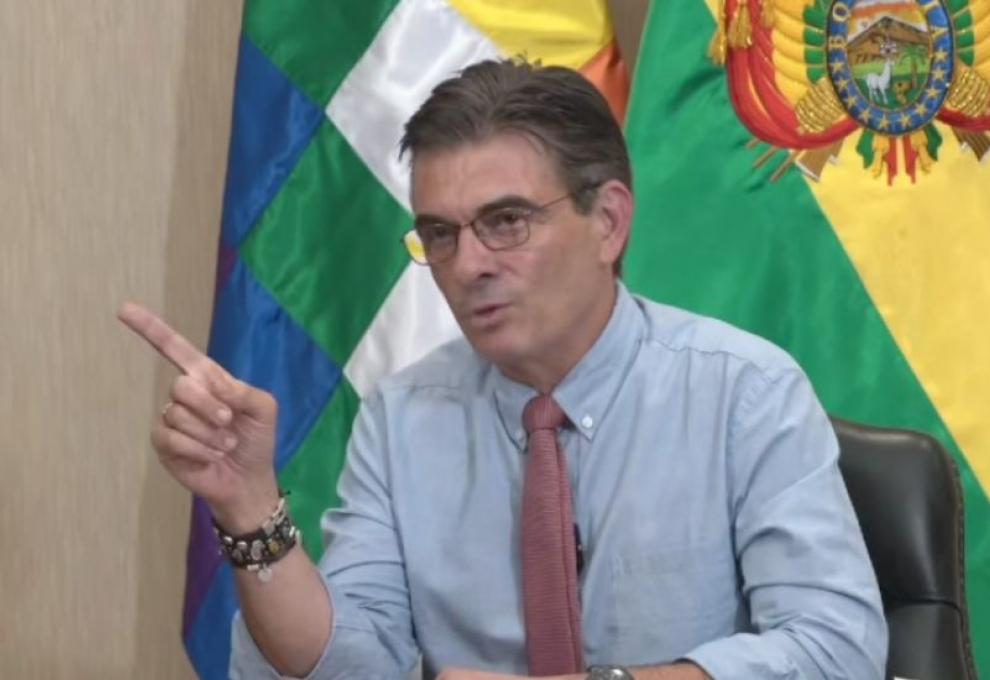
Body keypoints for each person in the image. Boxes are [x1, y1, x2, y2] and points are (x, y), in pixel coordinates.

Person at [119, 59, 887, 680]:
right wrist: (250, 506)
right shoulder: (402, 417)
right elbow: (353, 667)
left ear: (608, 222)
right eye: (440, 235)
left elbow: (837, 651)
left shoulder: (745, 392)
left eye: (506, 221)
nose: (468, 265)